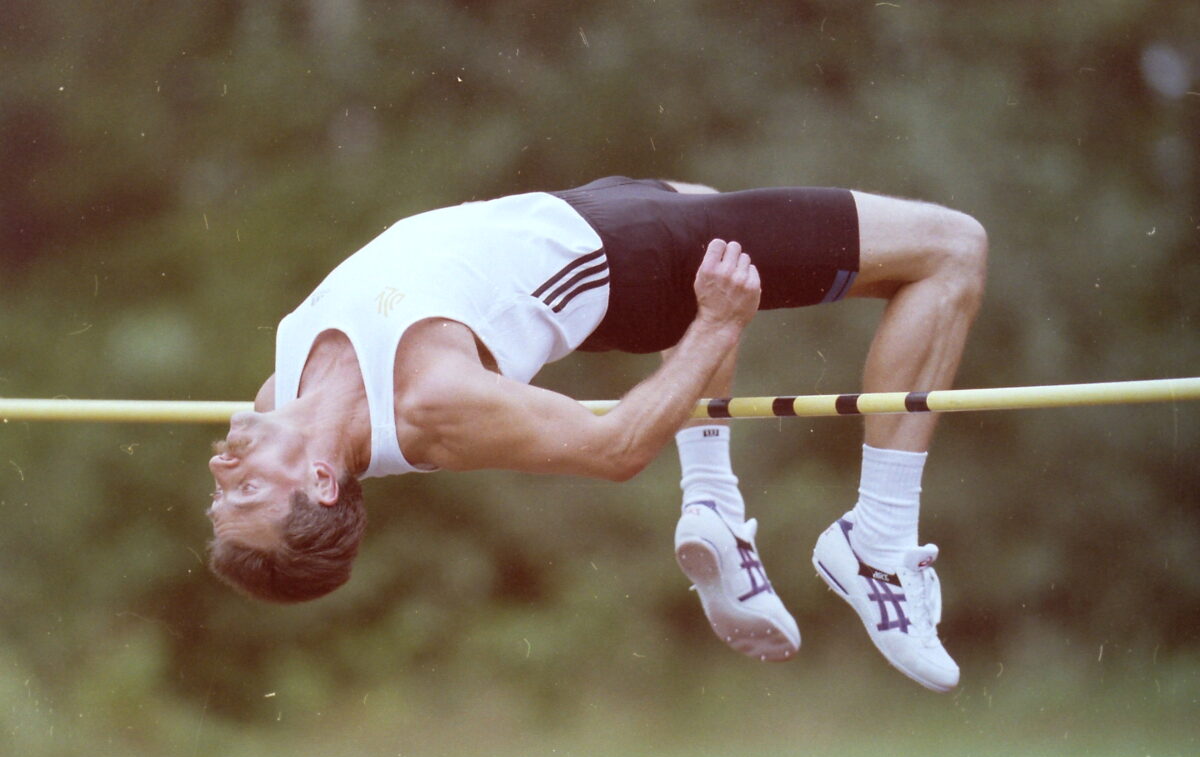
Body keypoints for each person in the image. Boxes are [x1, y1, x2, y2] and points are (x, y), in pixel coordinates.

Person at [206, 177, 987, 692]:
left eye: (219, 492)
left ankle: (713, 503)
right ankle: (878, 540)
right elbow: (614, 451)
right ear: (318, 481)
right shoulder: (430, 406)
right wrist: (714, 323)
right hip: (641, 256)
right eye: (245, 488)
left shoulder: (284, 391)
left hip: (585, 212)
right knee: (949, 249)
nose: (219, 463)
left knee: (705, 193)